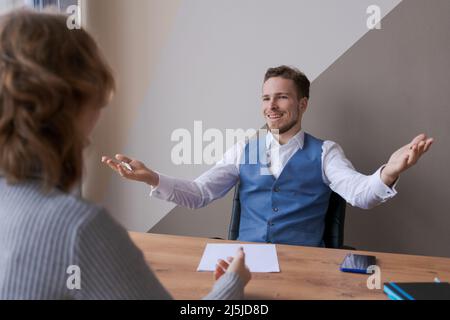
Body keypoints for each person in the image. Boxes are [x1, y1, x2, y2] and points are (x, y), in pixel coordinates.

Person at [0, 9, 250, 300]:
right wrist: (231, 284)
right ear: (79, 99)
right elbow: (201, 191)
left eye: (282, 97)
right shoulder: (79, 230)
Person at [103, 63, 434, 247]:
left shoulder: (326, 153)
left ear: (302, 104)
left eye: (281, 98)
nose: (271, 107)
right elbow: (201, 194)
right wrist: (151, 178)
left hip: (306, 264)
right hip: (245, 260)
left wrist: (389, 171)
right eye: (265, 98)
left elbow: (361, 195)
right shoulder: (242, 149)